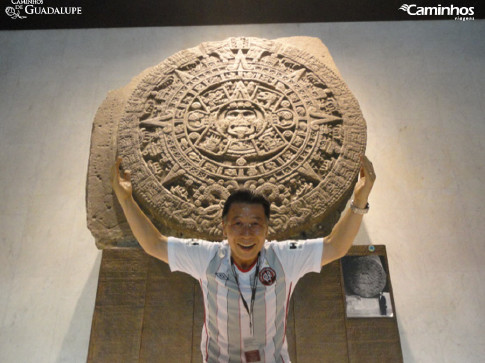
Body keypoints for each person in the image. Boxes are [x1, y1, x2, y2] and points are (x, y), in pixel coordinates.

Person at [111, 155, 376, 363]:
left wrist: (359, 199)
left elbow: (335, 247)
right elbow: (154, 244)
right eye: (238, 223)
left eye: (255, 224)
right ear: (224, 227)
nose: (247, 233)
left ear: (267, 229)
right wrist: (126, 200)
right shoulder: (207, 257)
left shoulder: (283, 258)